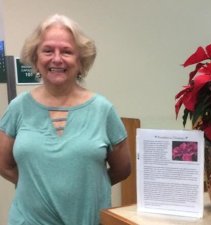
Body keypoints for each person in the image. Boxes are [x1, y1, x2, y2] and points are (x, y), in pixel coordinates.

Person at [0, 14, 131, 225]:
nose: (57, 58)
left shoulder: (103, 110)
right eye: (48, 50)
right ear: (35, 58)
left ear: (81, 61)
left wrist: (86, 190)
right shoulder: (18, 108)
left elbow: (122, 169)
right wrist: (36, 187)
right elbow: (4, 165)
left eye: (67, 51)